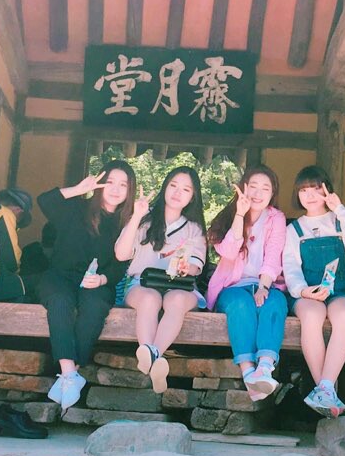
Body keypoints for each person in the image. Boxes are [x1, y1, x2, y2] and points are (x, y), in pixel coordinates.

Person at [36, 161, 135, 411]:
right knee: (60, 301)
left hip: (96, 281)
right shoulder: (77, 208)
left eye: (123, 185)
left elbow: (121, 265)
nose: (115, 189)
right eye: (110, 182)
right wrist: (78, 190)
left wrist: (102, 279)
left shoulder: (126, 223)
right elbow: (44, 201)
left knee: (95, 305)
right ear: (100, 183)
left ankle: (69, 377)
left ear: (130, 190)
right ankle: (69, 373)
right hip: (60, 276)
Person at [114, 166, 207, 394]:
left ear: (193, 196)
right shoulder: (144, 220)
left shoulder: (194, 228)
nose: (177, 192)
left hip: (181, 287)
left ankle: (151, 355)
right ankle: (155, 359)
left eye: (186, 189)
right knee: (150, 299)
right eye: (173, 185)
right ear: (165, 187)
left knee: (176, 300)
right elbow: (121, 254)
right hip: (143, 284)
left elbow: (196, 266)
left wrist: (187, 267)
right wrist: (136, 216)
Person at [283, 165, 345, 417]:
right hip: (307, 293)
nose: (309, 195)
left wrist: (339, 208)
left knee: (344, 314)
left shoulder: (339, 222)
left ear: (327, 190)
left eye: (315, 188)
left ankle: (325, 387)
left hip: (338, 292)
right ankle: (326, 390)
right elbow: (290, 267)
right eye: (303, 190)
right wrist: (303, 291)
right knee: (312, 315)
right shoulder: (293, 229)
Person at [206, 166, 288, 401]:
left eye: (265, 188)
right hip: (231, 287)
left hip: (265, 283)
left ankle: (264, 368)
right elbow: (229, 252)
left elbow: (273, 256)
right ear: (243, 188)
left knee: (275, 302)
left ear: (273, 193)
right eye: (253, 186)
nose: (258, 193)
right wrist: (239, 215)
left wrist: (263, 287)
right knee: (241, 304)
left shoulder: (276, 218)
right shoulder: (228, 216)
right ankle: (248, 374)